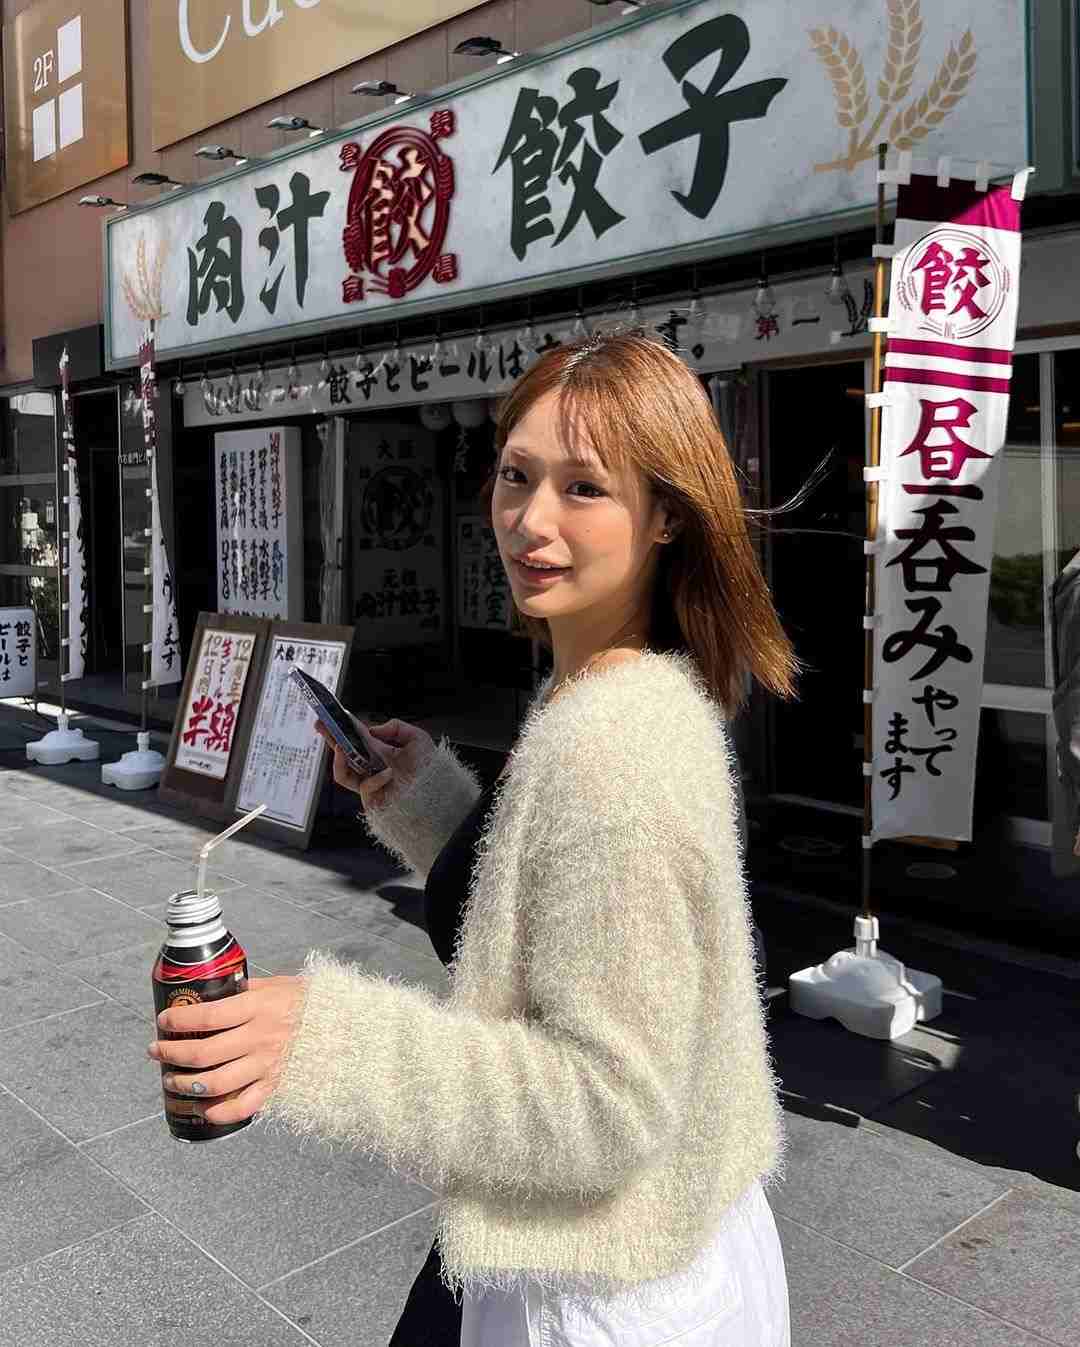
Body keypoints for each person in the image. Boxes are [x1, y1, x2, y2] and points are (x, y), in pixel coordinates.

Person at [148, 332, 798, 1346]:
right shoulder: (610, 688)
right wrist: (427, 801)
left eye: (585, 488)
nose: (530, 520)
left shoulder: (616, 745)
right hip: (642, 1240)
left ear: (667, 513)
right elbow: (559, 913)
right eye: (516, 474)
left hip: (602, 1289)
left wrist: (320, 1037)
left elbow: (608, 1104)